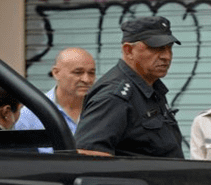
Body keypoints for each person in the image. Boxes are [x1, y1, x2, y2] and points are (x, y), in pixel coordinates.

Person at [75, 16, 183, 157]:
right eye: (157, 48)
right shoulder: (114, 96)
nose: (167, 56)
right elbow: (89, 154)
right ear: (128, 50)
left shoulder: (150, 88)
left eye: (169, 48)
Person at [15, 48, 96, 151]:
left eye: (91, 73)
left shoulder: (102, 109)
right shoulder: (31, 114)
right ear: (56, 73)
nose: (86, 79)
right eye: (78, 72)